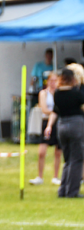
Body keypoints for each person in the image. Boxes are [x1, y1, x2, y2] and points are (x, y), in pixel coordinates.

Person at [44, 69, 84, 198]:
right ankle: (72, 192)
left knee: (67, 160)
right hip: (76, 125)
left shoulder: (57, 94)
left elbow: (55, 111)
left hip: (61, 126)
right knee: (77, 159)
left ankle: (63, 190)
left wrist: (49, 126)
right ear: (73, 79)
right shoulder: (77, 93)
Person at [30, 72, 62, 186]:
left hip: (58, 122)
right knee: (42, 151)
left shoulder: (59, 93)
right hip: (46, 121)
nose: (53, 83)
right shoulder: (43, 93)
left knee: (58, 152)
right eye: (51, 80)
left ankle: (56, 176)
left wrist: (56, 112)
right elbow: (44, 109)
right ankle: (40, 176)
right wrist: (55, 111)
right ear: (47, 81)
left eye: (55, 80)